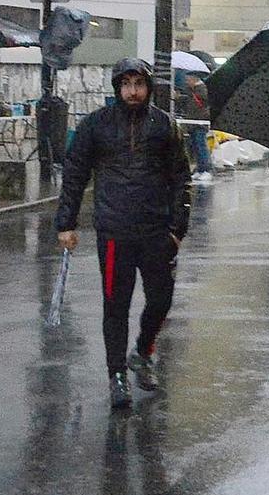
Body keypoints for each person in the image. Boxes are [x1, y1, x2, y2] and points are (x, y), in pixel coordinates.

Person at [55, 57, 193, 410]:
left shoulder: (164, 126)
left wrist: (178, 229)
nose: (133, 92)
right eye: (127, 85)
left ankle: (143, 352)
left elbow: (182, 177)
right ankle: (116, 374)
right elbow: (75, 173)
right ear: (118, 88)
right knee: (115, 305)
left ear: (148, 87)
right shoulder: (96, 125)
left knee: (161, 299)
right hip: (115, 231)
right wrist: (66, 223)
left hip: (156, 231)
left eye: (139, 84)